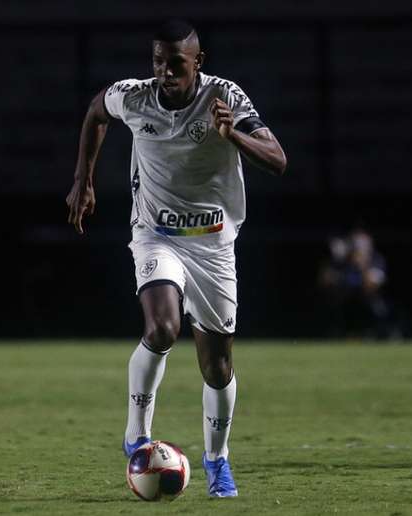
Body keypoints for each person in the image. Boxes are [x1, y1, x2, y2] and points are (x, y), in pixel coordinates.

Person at [65, 20, 286, 498]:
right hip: (155, 235)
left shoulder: (224, 97)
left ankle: (217, 461)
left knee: (217, 367)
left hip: (213, 244)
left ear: (198, 63)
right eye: (158, 62)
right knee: (162, 328)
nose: (165, 72)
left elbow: (278, 158)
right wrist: (83, 178)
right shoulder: (135, 96)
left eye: (176, 64)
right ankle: (136, 435)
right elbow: (95, 112)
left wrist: (235, 137)